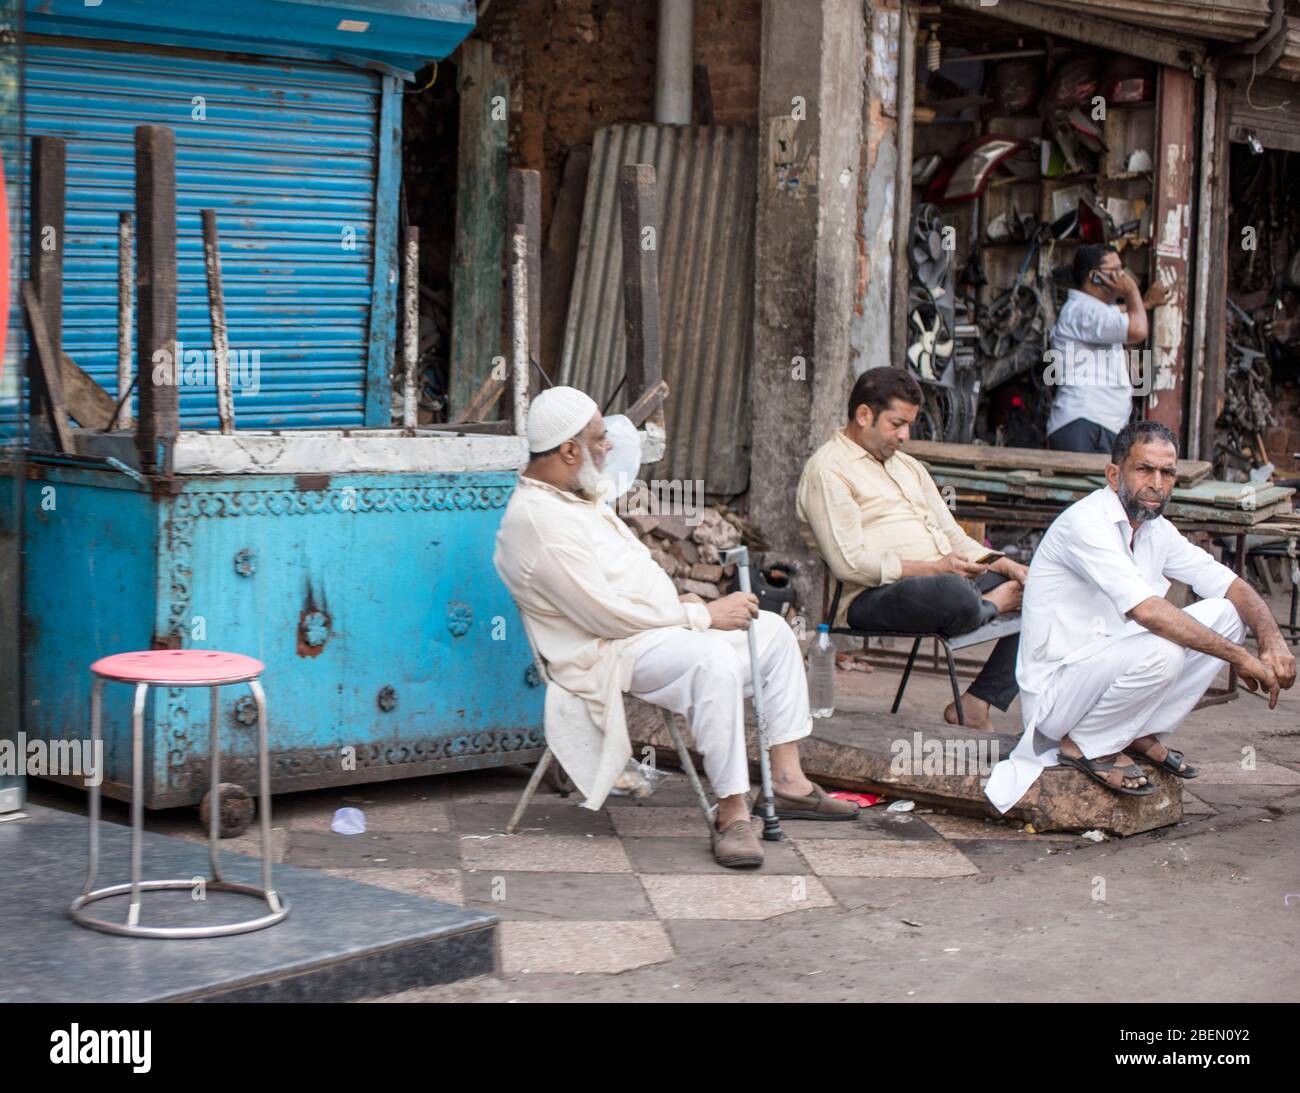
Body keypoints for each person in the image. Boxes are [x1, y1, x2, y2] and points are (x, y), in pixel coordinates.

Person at [494, 386, 858, 870]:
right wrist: (701, 615)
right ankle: (732, 813)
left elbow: (624, 581)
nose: (608, 448)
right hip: (606, 653)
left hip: (650, 631)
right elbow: (603, 615)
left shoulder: (573, 496)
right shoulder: (537, 520)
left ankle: (788, 784)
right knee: (712, 662)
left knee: (769, 630)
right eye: (599, 439)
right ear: (567, 450)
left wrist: (675, 601)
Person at [985, 420, 1297, 811]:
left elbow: (1232, 586)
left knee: (1228, 613)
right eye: (1143, 469)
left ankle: (1135, 732)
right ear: (1114, 474)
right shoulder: (1087, 523)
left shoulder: (1155, 530)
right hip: (1058, 694)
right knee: (1164, 651)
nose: (1156, 483)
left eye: (1167, 473)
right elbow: (1148, 612)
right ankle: (1085, 744)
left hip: (1108, 668)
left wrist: (1272, 641)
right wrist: (1241, 658)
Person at [797, 367, 1026, 730]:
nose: (905, 435)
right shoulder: (828, 470)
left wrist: (1009, 567)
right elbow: (848, 564)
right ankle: (994, 604)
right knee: (954, 593)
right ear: (863, 415)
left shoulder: (908, 467)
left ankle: (977, 702)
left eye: (909, 425)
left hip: (943, 580)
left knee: (1045, 588)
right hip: (871, 598)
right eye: (896, 424)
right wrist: (935, 568)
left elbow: (956, 539)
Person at [1045, 243, 1170, 454]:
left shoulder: (1090, 309)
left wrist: (1145, 303)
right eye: (1116, 271)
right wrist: (1132, 292)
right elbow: (1138, 329)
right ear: (1095, 277)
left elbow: (1117, 314)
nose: (1123, 276)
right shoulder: (1083, 310)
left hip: (1100, 424)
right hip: (1083, 423)